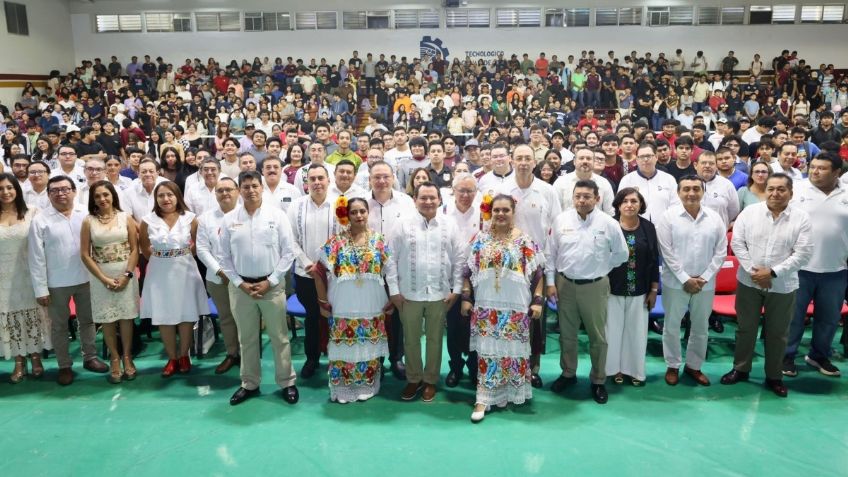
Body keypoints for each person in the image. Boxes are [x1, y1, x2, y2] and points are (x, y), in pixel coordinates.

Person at [721, 174, 813, 397]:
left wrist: (772, 273)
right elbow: (737, 243)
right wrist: (754, 270)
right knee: (746, 328)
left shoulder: (801, 219)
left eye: (781, 189)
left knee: (778, 333)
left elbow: (803, 253)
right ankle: (740, 368)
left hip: (783, 285)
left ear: (791, 193)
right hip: (748, 282)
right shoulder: (750, 213)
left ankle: (774, 376)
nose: (775, 193)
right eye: (771, 189)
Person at [459, 194, 543, 423]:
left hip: (516, 305)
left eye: (506, 210)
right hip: (487, 305)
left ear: (513, 212)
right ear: (490, 212)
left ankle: (510, 392)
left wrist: (537, 301)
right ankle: (483, 398)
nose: (501, 214)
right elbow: (466, 271)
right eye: (497, 210)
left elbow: (537, 273)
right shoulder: (481, 239)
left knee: (512, 351)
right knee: (488, 351)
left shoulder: (525, 240)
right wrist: (466, 297)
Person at [219, 170, 300, 406]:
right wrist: (239, 283)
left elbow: (289, 251)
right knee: (247, 339)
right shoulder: (230, 219)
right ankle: (249, 383)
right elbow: (224, 258)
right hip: (241, 288)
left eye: (255, 185)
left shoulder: (277, 216)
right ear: (239, 191)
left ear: (261, 187)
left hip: (271, 286)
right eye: (245, 187)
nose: (251, 190)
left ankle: (287, 382)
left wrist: (271, 281)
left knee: (279, 337)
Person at [546, 180, 628, 404]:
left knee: (597, 337)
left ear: (597, 198)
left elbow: (622, 254)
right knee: (567, 334)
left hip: (595, 286)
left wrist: (602, 267)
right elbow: (550, 254)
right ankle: (568, 373)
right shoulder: (561, 220)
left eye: (587, 196)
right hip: (565, 285)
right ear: (572, 198)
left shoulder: (608, 223)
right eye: (577, 196)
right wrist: (551, 283)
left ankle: (598, 379)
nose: (581, 200)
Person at [311, 197, 395, 403]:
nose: (359, 216)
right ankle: (343, 388)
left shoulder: (379, 241)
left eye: (362, 211)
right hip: (343, 303)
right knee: (344, 345)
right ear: (346, 216)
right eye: (354, 212)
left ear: (368, 213)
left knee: (368, 344)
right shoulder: (336, 242)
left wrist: (393, 298)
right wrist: (322, 303)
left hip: (373, 302)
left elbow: (391, 272)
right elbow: (318, 271)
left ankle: (367, 384)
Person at [387, 182, 465, 402]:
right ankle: (413, 379)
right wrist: (394, 291)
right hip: (409, 294)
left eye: (432, 197)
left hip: (440, 294)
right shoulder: (402, 225)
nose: (428, 202)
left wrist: (457, 289)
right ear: (415, 200)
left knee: (434, 339)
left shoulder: (450, 225)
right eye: (423, 198)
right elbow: (390, 260)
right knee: (410, 340)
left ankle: (430, 380)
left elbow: (459, 259)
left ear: (440, 199)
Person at [29, 175, 108, 385]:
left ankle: (90, 357)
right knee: (59, 326)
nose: (61, 193)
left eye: (65, 189)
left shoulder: (87, 213)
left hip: (87, 277)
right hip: (55, 282)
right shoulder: (40, 220)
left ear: (74, 191)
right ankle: (64, 365)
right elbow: (35, 257)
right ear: (48, 194)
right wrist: (40, 289)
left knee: (88, 321)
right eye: (55, 190)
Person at [497, 144, 561, 387]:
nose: (523, 162)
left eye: (528, 158)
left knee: (535, 318)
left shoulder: (547, 191)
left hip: (537, 266)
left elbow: (554, 233)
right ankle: (507, 364)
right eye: (519, 158)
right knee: (508, 315)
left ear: (535, 162)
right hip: (506, 264)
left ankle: (531, 368)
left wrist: (551, 274)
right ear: (512, 161)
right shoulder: (502, 190)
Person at [656, 175, 727, 387]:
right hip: (675, 283)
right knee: (672, 325)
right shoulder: (668, 217)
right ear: (678, 193)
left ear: (703, 192)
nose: (691, 193)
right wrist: (685, 278)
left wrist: (704, 278)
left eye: (696, 188)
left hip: (705, 284)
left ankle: (694, 366)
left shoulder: (714, 218)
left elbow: (721, 251)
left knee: (700, 326)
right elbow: (666, 252)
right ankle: (673, 365)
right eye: (686, 189)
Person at [783, 153, 848, 378]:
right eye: (813, 167)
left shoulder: (846, 193)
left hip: (836, 269)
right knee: (793, 316)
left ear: (837, 172)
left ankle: (819, 355)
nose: (815, 171)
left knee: (829, 318)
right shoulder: (797, 190)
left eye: (822, 168)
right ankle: (787, 355)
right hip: (799, 268)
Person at [139, 181, 209, 377]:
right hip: (159, 272)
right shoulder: (147, 220)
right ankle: (172, 357)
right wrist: (163, 257)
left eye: (169, 194)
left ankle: (184, 355)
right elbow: (144, 248)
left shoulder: (190, 218)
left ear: (178, 196)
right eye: (161, 195)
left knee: (186, 315)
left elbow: (198, 244)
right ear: (156, 199)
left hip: (185, 270)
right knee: (164, 315)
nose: (166, 199)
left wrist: (182, 254)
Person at [79, 180, 140, 383]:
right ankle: (114, 357)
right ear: (92, 200)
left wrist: (127, 275)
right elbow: (85, 254)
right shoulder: (89, 221)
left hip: (126, 274)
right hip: (100, 277)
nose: (102, 199)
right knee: (107, 319)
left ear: (113, 195)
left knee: (126, 318)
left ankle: (127, 356)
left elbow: (134, 249)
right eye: (97, 196)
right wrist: (104, 279)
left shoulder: (126, 218)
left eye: (106, 194)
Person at [288, 164, 341, 378]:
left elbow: (345, 236)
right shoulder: (296, 206)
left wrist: (326, 264)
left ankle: (337, 359)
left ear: (329, 181)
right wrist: (307, 263)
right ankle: (312, 359)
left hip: (335, 274)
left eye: (321, 178)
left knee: (337, 317)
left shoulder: (341, 204)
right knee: (312, 318)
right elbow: (290, 239)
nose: (317, 182)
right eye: (313, 179)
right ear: (306, 183)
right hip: (306, 274)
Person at [605, 188, 659, 386]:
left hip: (640, 290)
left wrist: (653, 290)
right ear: (618, 205)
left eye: (634, 201)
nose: (629, 205)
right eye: (625, 201)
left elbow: (654, 260)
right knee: (613, 332)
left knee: (636, 333)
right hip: (611, 290)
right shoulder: (609, 225)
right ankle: (614, 369)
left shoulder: (648, 228)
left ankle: (634, 370)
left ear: (640, 205)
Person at [0, 173, 50, 383]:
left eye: (9, 188)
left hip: (29, 274)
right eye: (1, 189)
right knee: (10, 317)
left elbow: (42, 246)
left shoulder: (33, 212)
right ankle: (19, 360)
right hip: (3, 277)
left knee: (33, 316)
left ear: (17, 190)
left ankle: (36, 356)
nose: (5, 192)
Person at [196, 177, 241, 374]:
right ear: (215, 194)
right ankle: (232, 354)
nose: (225, 194)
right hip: (217, 278)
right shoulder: (206, 218)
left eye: (229, 190)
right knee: (226, 317)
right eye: (220, 190)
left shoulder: (246, 214)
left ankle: (248, 355)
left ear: (237, 191)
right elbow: (202, 249)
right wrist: (219, 271)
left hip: (244, 278)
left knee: (246, 318)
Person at [443, 173, 481, 388]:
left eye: (470, 191)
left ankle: (476, 368)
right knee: (454, 326)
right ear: (453, 191)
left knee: (477, 326)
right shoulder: (444, 212)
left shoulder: (486, 213)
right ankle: (455, 367)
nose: (465, 195)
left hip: (479, 280)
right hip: (451, 278)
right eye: (461, 191)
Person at [618, 143, 680, 222]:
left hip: (664, 226)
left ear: (656, 157)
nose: (645, 159)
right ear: (636, 159)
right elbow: (620, 205)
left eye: (649, 156)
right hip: (635, 226)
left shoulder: (669, 179)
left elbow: (675, 205)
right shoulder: (627, 180)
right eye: (642, 157)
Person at [553, 148, 614, 214]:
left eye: (588, 158)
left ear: (593, 162)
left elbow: (609, 212)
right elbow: (555, 211)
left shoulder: (604, 183)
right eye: (581, 158)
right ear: (574, 161)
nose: (585, 161)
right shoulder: (561, 182)